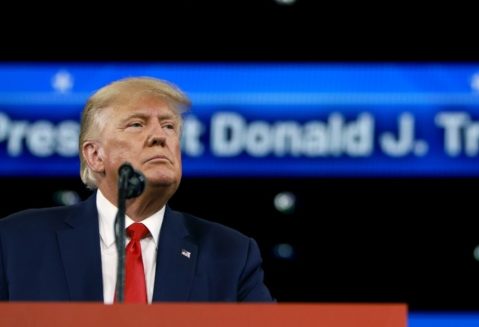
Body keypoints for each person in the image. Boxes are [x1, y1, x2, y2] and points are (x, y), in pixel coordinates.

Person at [0, 76, 274, 303]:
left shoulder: (232, 253)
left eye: (169, 126)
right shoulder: (17, 241)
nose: (160, 136)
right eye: (137, 124)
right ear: (95, 155)